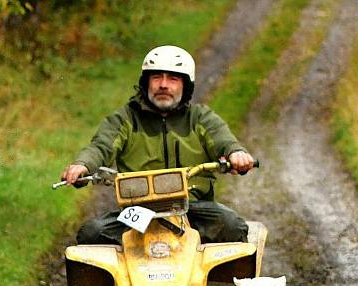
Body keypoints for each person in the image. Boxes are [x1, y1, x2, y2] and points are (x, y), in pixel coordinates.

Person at [61, 45, 256, 245]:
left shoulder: (200, 118)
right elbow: (101, 146)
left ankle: (220, 278)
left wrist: (236, 153)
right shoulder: (125, 118)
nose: (163, 85)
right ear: (146, 83)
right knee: (91, 234)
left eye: (173, 78)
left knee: (233, 227)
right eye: (156, 77)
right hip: (138, 211)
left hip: (193, 208)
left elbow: (223, 139)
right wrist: (83, 165)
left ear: (185, 86)